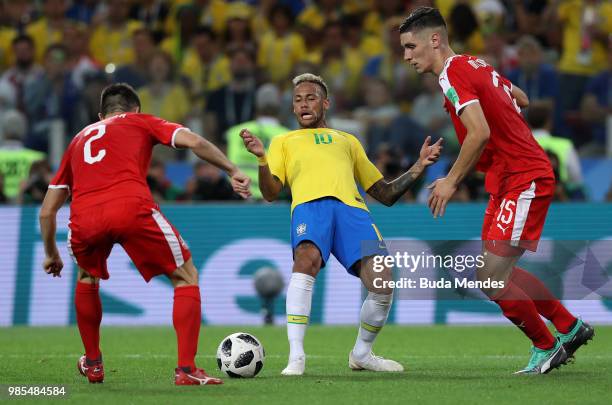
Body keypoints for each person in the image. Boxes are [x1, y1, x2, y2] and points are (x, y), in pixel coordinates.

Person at [399, 7, 594, 375]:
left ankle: (547, 345)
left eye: (411, 47)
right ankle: (568, 327)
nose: (407, 56)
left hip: (523, 177)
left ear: (435, 40)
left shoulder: (452, 75)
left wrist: (451, 180)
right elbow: (520, 96)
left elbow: (480, 132)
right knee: (497, 274)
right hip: (506, 179)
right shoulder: (474, 63)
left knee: (490, 278)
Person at [39, 83, 250, 385]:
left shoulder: (77, 140)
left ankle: (93, 364)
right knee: (185, 276)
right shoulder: (142, 121)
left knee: (87, 277)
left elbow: (47, 211)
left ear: (101, 115)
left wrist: (51, 253)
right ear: (135, 109)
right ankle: (187, 370)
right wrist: (232, 170)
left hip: (84, 217)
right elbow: (194, 141)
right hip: (130, 206)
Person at [241, 73, 442, 375]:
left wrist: (418, 166)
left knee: (383, 281)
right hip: (311, 208)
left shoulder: (348, 141)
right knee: (305, 261)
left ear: (325, 103)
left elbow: (384, 193)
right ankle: (296, 357)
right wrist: (261, 160)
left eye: (310, 98)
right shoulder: (283, 141)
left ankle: (362, 353)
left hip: (353, 212)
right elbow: (270, 193)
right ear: (293, 109)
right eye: (297, 100)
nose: (303, 105)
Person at [226, 83, 289, 199]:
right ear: (280, 105)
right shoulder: (288, 136)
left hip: (238, 197)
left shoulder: (235, 132)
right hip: (271, 200)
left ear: (256, 104)